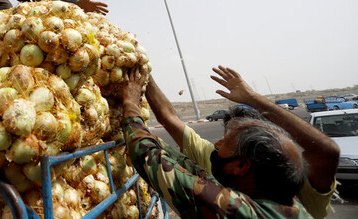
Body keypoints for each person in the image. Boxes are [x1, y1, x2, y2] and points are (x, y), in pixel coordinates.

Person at [144, 65, 339, 218]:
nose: (218, 143)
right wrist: (144, 69)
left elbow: (326, 151)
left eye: (230, 139)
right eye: (226, 135)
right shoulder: (216, 158)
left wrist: (253, 98)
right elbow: (169, 118)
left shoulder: (296, 180)